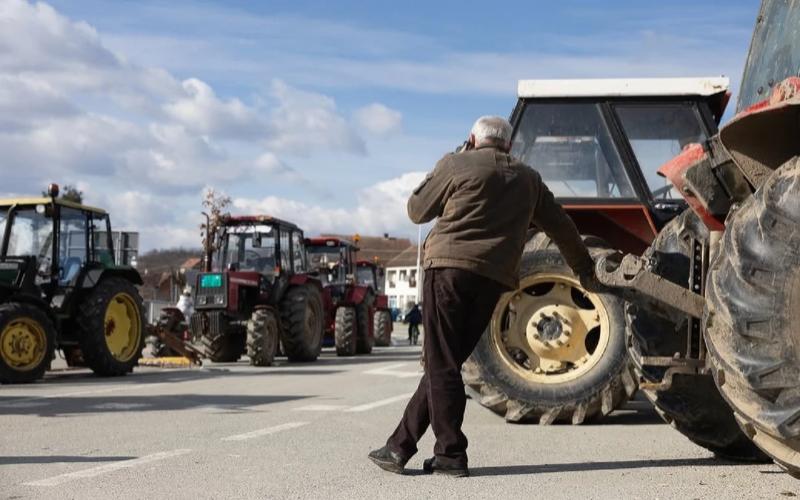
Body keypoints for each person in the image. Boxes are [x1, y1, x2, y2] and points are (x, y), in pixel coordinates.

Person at [368, 116, 602, 477]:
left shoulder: (457, 163)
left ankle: (450, 453)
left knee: (441, 362)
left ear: (473, 139)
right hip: (493, 279)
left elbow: (417, 210)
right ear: (509, 146)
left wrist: (450, 158)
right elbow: (562, 227)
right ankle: (398, 446)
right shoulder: (529, 179)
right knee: (443, 362)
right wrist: (585, 270)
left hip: (447, 269)